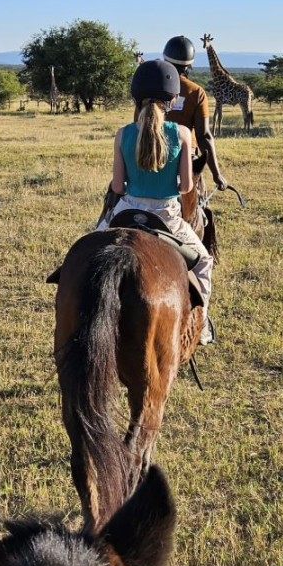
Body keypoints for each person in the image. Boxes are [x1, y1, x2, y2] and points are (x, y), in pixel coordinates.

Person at [100, 59, 215, 345]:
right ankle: (200, 328)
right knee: (203, 261)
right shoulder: (183, 134)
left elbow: (117, 186)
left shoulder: (123, 134)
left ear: (135, 98)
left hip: (126, 212)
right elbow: (187, 186)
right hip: (167, 217)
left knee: (87, 249)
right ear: (173, 99)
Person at [161, 35, 228, 192]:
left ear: (165, 59)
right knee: (201, 207)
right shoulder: (196, 92)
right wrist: (217, 175)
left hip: (147, 154)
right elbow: (203, 136)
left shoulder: (149, 88)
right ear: (189, 65)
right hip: (185, 156)